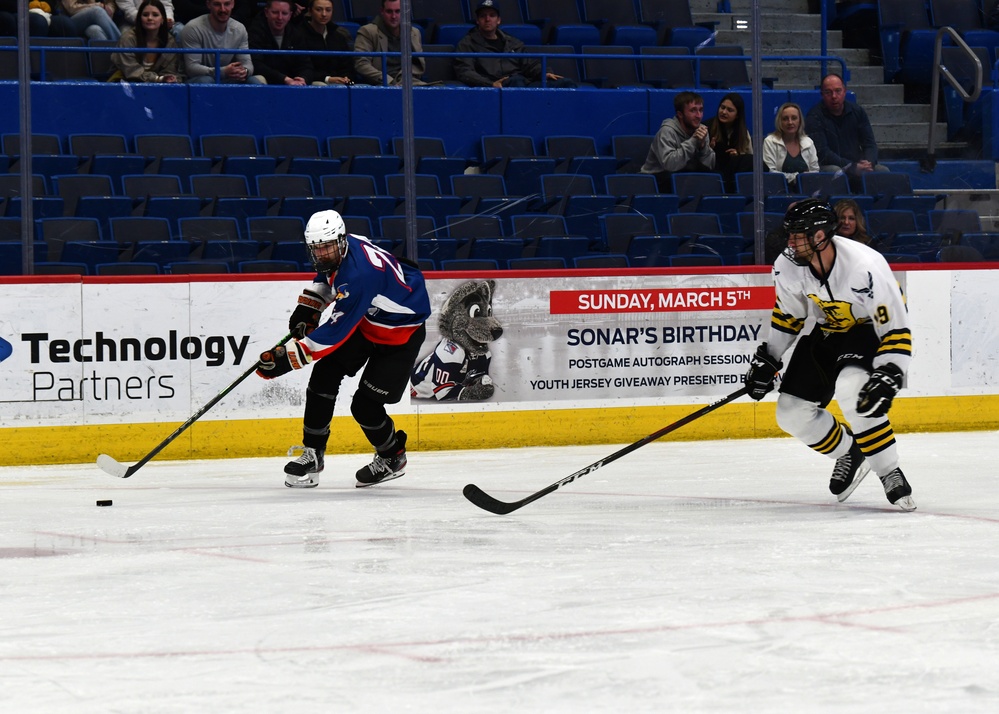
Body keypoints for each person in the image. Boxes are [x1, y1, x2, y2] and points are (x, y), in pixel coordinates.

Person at [743, 198, 915, 511]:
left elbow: (894, 328)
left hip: (866, 333)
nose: (791, 243)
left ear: (820, 236)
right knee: (790, 412)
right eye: (790, 235)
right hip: (826, 332)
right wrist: (769, 359)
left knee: (854, 390)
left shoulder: (866, 267)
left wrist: (889, 371)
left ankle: (889, 470)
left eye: (799, 236)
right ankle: (850, 452)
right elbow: (789, 316)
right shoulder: (787, 266)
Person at [256, 210, 432, 489]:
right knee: (324, 374)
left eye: (327, 247)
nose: (322, 254)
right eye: (317, 249)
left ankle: (392, 457)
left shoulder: (361, 278)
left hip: (400, 335)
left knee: (365, 406)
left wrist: (287, 360)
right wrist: (309, 306)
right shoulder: (348, 244)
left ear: (340, 240)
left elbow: (334, 334)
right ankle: (313, 454)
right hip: (370, 320)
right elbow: (331, 277)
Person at [453, 0, 575, 88]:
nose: (487, 19)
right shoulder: (467, 43)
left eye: (492, 15)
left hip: (522, 83)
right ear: (477, 21)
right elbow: (465, 72)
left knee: (565, 83)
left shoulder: (512, 42)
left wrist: (544, 73)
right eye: (483, 16)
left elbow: (530, 63)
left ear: (499, 20)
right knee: (517, 81)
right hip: (495, 86)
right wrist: (490, 84)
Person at [806, 74, 888, 190]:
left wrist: (869, 164)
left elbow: (869, 144)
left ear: (845, 91)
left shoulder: (857, 111)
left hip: (857, 165)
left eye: (838, 91)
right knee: (834, 171)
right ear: (822, 94)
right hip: (830, 165)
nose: (834, 96)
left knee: (882, 171)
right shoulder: (814, 117)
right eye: (828, 92)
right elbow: (823, 153)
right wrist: (852, 166)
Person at [639, 90, 715, 193]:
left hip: (681, 176)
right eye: (693, 111)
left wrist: (703, 147)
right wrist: (693, 141)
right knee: (674, 179)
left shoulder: (701, 130)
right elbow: (670, 165)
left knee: (714, 177)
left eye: (701, 110)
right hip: (655, 179)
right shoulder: (667, 131)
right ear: (680, 114)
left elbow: (710, 165)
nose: (698, 116)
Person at [180, 0, 262, 83]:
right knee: (206, 81)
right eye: (217, 4)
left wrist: (244, 71)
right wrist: (223, 71)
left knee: (252, 81)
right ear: (208, 5)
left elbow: (247, 62)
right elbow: (192, 68)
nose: (223, 9)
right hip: (199, 80)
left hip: (227, 78)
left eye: (227, 4)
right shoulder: (193, 28)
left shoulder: (239, 29)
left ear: (233, 4)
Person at [353, 0, 427, 86]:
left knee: (439, 89)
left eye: (398, 11)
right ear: (382, 11)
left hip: (408, 83)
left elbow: (418, 64)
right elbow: (361, 64)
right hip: (381, 84)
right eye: (389, 11)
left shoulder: (414, 33)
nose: (394, 16)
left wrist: (403, 81)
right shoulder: (368, 31)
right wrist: (389, 81)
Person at [110, 0, 183, 82]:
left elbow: (169, 71)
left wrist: (168, 78)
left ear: (162, 19)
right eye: (145, 15)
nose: (150, 18)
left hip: (158, 86)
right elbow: (130, 70)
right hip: (126, 82)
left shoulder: (170, 42)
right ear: (139, 18)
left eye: (155, 15)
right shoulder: (127, 39)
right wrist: (157, 79)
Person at [248, 0, 311, 85]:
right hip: (268, 82)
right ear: (266, 12)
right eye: (275, 12)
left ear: (290, 15)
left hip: (292, 84)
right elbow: (256, 64)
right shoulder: (255, 32)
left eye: (284, 13)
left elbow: (306, 65)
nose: (280, 17)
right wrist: (284, 79)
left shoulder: (296, 34)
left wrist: (302, 78)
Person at [762, 101, 819, 190]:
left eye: (794, 118)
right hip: (778, 190)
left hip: (806, 189)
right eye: (785, 119)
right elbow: (771, 172)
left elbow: (815, 171)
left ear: (800, 121)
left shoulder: (808, 142)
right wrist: (797, 177)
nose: (790, 122)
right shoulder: (770, 141)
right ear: (779, 121)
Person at [298, 0, 354, 86]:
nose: (324, 14)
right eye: (319, 9)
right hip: (314, 81)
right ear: (310, 11)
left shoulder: (339, 36)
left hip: (338, 82)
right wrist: (328, 79)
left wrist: (345, 77)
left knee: (365, 88)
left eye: (328, 10)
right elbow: (303, 68)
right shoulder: (299, 35)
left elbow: (347, 65)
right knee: (322, 86)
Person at [706, 92, 752, 193]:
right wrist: (708, 149)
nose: (724, 112)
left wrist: (738, 155)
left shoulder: (743, 133)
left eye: (730, 110)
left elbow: (748, 155)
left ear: (737, 115)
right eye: (722, 107)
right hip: (714, 172)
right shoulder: (706, 128)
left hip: (733, 173)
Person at [56, 0, 121, 41]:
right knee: (97, 11)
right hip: (70, 22)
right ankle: (122, 48)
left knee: (94, 30)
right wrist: (98, 5)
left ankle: (112, 61)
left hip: (95, 21)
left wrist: (109, 9)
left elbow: (110, 2)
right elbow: (72, 8)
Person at [116, 0, 181, 38]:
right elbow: (128, 10)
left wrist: (168, 18)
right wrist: (145, 19)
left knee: (179, 30)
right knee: (125, 34)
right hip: (132, 22)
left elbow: (166, 6)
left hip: (160, 20)